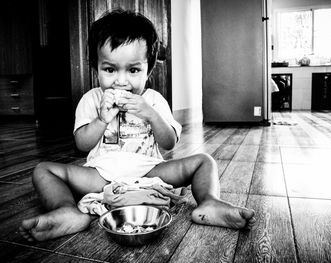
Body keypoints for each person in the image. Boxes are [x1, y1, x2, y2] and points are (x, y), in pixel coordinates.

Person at [19, 9, 256, 242]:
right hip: (101, 175)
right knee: (43, 170)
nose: (121, 81)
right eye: (110, 69)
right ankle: (67, 211)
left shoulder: (153, 100)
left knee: (205, 161)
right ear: (96, 68)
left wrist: (150, 114)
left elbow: (169, 142)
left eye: (133, 70)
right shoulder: (91, 99)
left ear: (148, 70)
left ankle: (209, 203)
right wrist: (101, 119)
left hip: (149, 171)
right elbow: (82, 145)